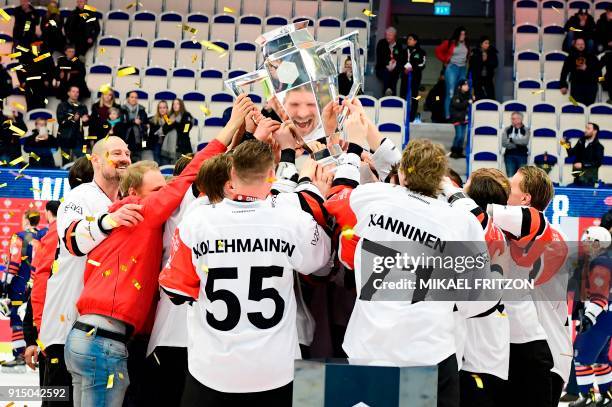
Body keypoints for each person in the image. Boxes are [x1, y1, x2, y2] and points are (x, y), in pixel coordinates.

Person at [64, 104, 244, 406]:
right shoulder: (140, 213)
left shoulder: (120, 218)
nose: (166, 195)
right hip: (104, 342)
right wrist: (231, 127)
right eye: (158, 189)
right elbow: (191, 175)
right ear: (135, 192)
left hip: (86, 337)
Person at [324, 104, 498, 407]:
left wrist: (355, 144)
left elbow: (339, 196)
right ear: (441, 177)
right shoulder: (461, 221)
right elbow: (481, 302)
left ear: (403, 173)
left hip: (369, 347)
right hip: (427, 352)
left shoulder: (375, 197)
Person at [159, 139, 332, 406]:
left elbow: (176, 291)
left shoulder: (197, 221)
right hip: (275, 370)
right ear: (271, 175)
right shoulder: (291, 220)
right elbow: (320, 265)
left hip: (212, 369)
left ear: (231, 172)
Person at [37, 136, 142, 404]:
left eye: (128, 153)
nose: (125, 158)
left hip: (101, 333)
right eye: (116, 152)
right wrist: (109, 221)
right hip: (62, 331)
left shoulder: (126, 201)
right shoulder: (78, 197)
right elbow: (74, 242)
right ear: (95, 160)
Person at [489, 166, 570, 407]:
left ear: (525, 199)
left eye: (510, 188)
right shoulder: (515, 234)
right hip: (522, 351)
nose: (504, 192)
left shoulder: (546, 234)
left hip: (548, 355)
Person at [441, 168, 511, 407]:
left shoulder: (484, 228)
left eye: (466, 184)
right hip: (483, 357)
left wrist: (445, 186)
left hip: (480, 361)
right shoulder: (486, 230)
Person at [569, 226, 612, 407]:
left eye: (587, 241)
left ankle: (586, 396)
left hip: (599, 319)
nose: (584, 245)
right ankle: (606, 396)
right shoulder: (603, 261)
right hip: (606, 318)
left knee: (580, 357)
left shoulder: (600, 263)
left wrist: (588, 318)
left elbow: (600, 296)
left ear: (597, 243)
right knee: (601, 358)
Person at [0, 210, 47, 369]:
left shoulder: (18, 236)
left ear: (26, 219)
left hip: (20, 285)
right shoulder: (44, 234)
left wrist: (5, 284)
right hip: (39, 282)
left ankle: (19, 354)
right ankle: (40, 353)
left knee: (16, 317)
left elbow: (14, 264)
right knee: (36, 317)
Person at [23, 200, 60, 378]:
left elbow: (38, 277)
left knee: (54, 393)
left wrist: (32, 338)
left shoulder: (32, 237)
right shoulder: (46, 234)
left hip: (48, 329)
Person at [435, 27, 469, 120]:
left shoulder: (466, 44)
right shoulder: (450, 42)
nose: (463, 36)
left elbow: (467, 55)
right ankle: (448, 115)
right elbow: (437, 51)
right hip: (452, 68)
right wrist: (445, 60)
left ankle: (460, 114)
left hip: (462, 68)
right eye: (461, 34)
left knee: (462, 91)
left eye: (464, 34)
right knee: (450, 92)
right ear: (457, 34)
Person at [560, 37, 602, 106]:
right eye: (578, 44)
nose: (580, 46)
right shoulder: (570, 57)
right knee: (576, 108)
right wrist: (563, 85)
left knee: (588, 109)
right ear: (575, 45)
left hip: (590, 87)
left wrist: (586, 69)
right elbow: (564, 72)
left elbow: (600, 76)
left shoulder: (593, 57)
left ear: (585, 45)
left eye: (582, 44)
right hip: (576, 87)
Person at [561, 122, 605, 187]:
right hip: (578, 177)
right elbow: (571, 153)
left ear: (595, 131)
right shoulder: (581, 141)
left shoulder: (599, 147)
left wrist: (583, 164)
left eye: (588, 129)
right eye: (586, 128)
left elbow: (598, 163)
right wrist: (565, 144)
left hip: (589, 179)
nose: (585, 130)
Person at [57, 85, 89, 164]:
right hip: (64, 137)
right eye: (73, 91)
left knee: (80, 162)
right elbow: (60, 121)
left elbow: (86, 125)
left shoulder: (83, 107)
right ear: (68, 93)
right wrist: (72, 119)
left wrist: (86, 121)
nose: (76, 93)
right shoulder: (62, 106)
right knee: (65, 161)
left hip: (78, 138)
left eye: (77, 92)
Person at [399, 33, 427, 122]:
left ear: (415, 41)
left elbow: (422, 64)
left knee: (414, 97)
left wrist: (412, 68)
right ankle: (402, 115)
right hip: (405, 76)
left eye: (411, 39)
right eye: (408, 39)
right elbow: (399, 62)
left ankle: (412, 117)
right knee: (402, 95)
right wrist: (404, 69)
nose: (408, 41)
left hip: (415, 77)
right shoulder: (403, 51)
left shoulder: (421, 52)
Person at [160, 98, 194, 164]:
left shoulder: (187, 116)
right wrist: (172, 123)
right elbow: (164, 130)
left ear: (181, 105)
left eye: (177, 104)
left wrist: (174, 123)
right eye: (174, 104)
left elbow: (185, 130)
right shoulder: (168, 116)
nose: (175, 105)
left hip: (183, 147)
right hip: (168, 147)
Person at [121, 91, 148, 162]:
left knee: (137, 162)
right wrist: (133, 121)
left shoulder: (142, 110)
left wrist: (141, 123)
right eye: (132, 97)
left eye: (136, 97)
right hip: (126, 139)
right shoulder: (122, 109)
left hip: (138, 140)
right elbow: (121, 124)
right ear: (127, 99)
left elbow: (145, 123)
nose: (134, 99)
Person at [469, 36, 498, 100]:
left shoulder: (492, 52)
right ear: (481, 44)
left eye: (488, 43)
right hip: (477, 78)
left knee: (490, 95)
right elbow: (472, 65)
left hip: (488, 78)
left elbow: (495, 64)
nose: (487, 45)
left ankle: (491, 108)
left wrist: (487, 60)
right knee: (478, 95)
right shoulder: (475, 52)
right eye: (486, 43)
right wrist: (481, 60)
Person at [375, 26, 402, 96]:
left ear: (394, 36)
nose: (388, 37)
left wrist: (394, 65)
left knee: (394, 74)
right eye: (386, 35)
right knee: (387, 73)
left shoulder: (399, 45)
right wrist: (388, 65)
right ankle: (387, 92)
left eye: (390, 35)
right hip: (382, 68)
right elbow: (380, 58)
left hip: (394, 69)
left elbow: (400, 59)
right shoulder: (381, 43)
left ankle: (391, 94)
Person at [502, 111, 530, 177]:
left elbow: (525, 141)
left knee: (522, 177)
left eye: (514, 118)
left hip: (522, 156)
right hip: (509, 156)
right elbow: (504, 143)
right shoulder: (507, 129)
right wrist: (518, 144)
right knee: (510, 177)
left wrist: (511, 140)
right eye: (512, 118)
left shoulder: (526, 129)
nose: (512, 120)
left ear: (520, 119)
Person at [449, 79, 471, 159]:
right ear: (460, 87)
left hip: (464, 119)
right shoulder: (456, 96)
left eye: (467, 85)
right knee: (459, 136)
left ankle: (459, 152)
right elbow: (458, 106)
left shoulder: (468, 95)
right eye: (465, 85)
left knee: (462, 137)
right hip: (457, 119)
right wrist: (467, 102)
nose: (467, 87)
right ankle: (454, 151)